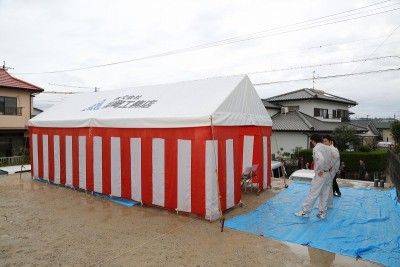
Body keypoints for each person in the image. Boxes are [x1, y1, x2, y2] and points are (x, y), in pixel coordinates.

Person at [295, 134, 332, 219]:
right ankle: (322, 212)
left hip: (321, 174)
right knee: (325, 194)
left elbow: (321, 160)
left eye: (311, 140)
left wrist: (321, 170)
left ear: (313, 140)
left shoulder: (317, 148)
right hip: (328, 174)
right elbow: (332, 160)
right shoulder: (327, 147)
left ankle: (305, 212)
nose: (311, 142)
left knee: (313, 193)